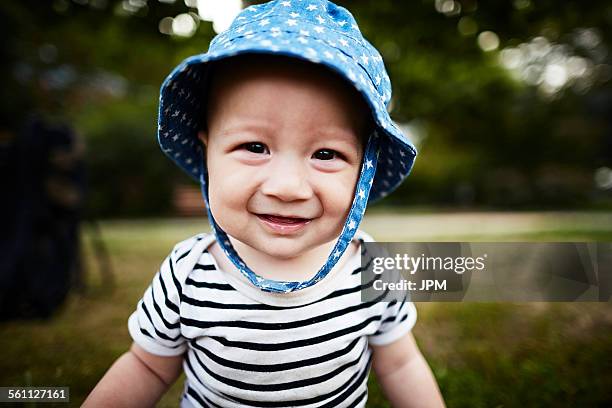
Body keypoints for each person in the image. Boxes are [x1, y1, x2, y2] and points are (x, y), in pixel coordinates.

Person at [85, 0, 445, 406]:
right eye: (254, 147)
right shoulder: (188, 275)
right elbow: (147, 367)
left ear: (364, 168)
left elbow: (400, 364)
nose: (288, 187)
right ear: (207, 153)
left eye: (325, 154)